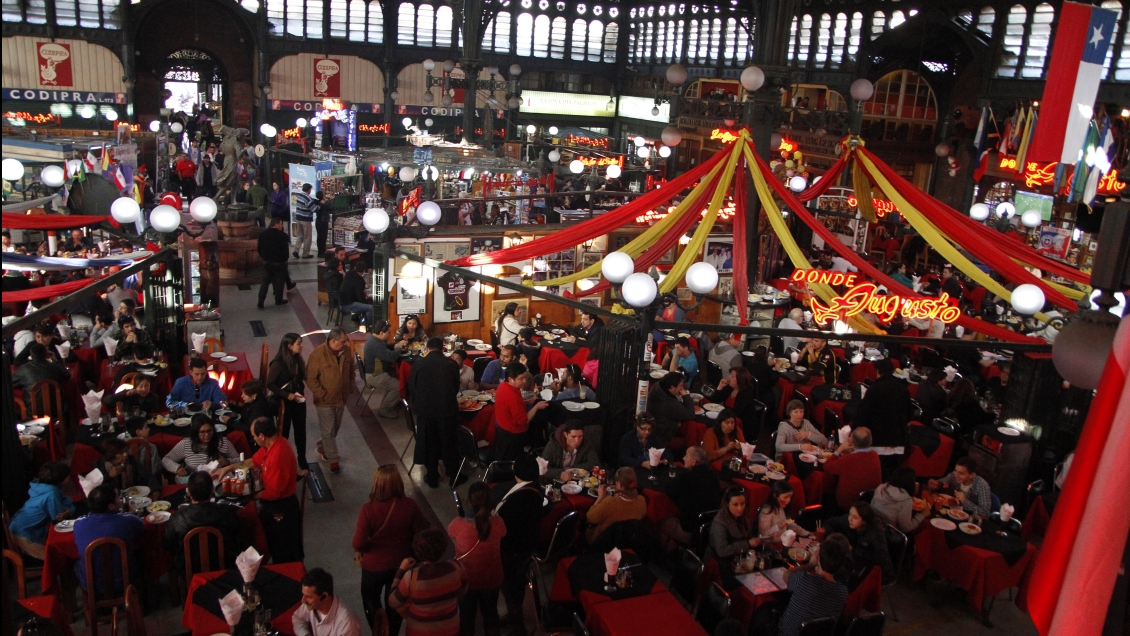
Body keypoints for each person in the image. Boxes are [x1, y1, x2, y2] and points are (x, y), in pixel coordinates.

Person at [353, 466, 428, 635]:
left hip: (373, 566)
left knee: (371, 601)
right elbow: (422, 533)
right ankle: (392, 631)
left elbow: (358, 543)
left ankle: (379, 630)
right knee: (395, 602)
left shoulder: (368, 510)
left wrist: (366, 549)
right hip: (402, 564)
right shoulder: (409, 505)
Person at [218, 417, 303, 562]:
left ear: (262, 436)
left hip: (281, 510)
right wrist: (229, 467)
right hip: (274, 505)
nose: (253, 438)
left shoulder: (278, 455)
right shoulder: (269, 447)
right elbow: (254, 461)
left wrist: (250, 496)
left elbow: (275, 492)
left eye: (254, 436)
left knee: (282, 553)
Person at [493, 454, 545, 633]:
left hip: (512, 549)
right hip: (527, 545)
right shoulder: (536, 490)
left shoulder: (517, 499)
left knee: (510, 587)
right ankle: (514, 615)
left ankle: (518, 626)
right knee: (517, 584)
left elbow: (505, 526)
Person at [447, 481, 507, 636]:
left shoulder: (458, 524)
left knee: (466, 618)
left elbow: (451, 532)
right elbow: (503, 533)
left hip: (467, 580)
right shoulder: (498, 523)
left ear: (469, 501)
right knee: (491, 614)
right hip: (492, 578)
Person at [388, 529, 468, 636]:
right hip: (450, 630)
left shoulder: (412, 577)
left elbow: (393, 602)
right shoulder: (457, 567)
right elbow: (463, 591)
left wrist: (401, 570)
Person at [162, 472, 244, 576]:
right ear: (212, 490)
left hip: (188, 570)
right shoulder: (226, 512)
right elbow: (238, 530)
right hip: (225, 567)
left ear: (188, 491)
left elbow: (167, 544)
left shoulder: (177, 517)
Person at [408, 337, 462, 488]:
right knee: (448, 442)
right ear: (443, 349)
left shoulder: (419, 363)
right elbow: (456, 387)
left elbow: (412, 387)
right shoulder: (451, 364)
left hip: (425, 412)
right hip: (446, 410)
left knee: (429, 442)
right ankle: (453, 475)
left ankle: (432, 475)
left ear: (427, 348)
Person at [775, 533, 851, 636]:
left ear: (818, 558)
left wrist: (810, 564)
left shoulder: (805, 579)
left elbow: (787, 574)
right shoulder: (843, 592)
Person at [73, 484, 143, 591]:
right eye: (117, 498)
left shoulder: (78, 524)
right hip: (123, 579)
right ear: (111, 506)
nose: (119, 500)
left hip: (91, 585)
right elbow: (140, 525)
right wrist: (130, 512)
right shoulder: (127, 521)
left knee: (75, 563)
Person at [305, 327, 355, 474]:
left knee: (334, 429)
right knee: (328, 432)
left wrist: (350, 385)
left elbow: (351, 369)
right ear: (333, 341)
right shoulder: (318, 355)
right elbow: (310, 378)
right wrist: (322, 394)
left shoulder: (345, 351)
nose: (345, 344)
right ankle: (334, 460)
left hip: (341, 399)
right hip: (324, 401)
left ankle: (322, 447)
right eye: (343, 341)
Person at [9, 462, 74, 559]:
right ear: (61, 478)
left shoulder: (41, 486)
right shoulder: (52, 494)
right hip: (25, 535)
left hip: (17, 527)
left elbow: (63, 501)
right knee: (58, 558)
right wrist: (70, 511)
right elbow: (58, 519)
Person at [267, 332, 310, 473]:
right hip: (284, 403)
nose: (301, 346)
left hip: (298, 400)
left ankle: (302, 459)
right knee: (283, 431)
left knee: (300, 431)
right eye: (299, 343)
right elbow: (270, 384)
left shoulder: (297, 359)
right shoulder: (278, 363)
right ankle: (282, 458)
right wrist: (287, 395)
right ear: (289, 346)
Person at [825, 501, 896, 584]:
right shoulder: (848, 520)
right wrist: (833, 537)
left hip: (864, 564)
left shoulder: (876, 533)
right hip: (849, 558)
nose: (850, 519)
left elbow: (881, 556)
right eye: (850, 514)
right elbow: (828, 523)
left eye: (855, 517)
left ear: (864, 521)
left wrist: (853, 549)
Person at [662, 446, 721, 546]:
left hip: (689, 530)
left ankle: (670, 555)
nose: (683, 458)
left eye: (686, 456)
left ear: (693, 462)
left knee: (662, 522)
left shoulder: (687, 477)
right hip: (709, 527)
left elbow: (668, 489)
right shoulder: (715, 476)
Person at [854, 359, 912, 457]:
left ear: (877, 371)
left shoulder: (874, 389)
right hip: (897, 442)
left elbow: (863, 414)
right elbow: (909, 414)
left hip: (877, 442)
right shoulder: (903, 389)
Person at [493, 361, 549, 461]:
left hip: (502, 429)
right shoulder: (512, 396)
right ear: (510, 379)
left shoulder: (503, 385)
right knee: (510, 462)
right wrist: (536, 407)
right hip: (513, 435)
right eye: (521, 379)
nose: (524, 381)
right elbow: (524, 420)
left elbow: (511, 406)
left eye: (525, 377)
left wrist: (527, 402)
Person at [161, 415, 239, 481]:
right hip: (194, 481)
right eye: (202, 432)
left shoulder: (223, 442)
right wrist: (177, 468)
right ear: (196, 432)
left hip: (218, 478)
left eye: (209, 431)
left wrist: (228, 461)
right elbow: (166, 460)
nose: (207, 435)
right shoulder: (186, 444)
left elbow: (240, 460)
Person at [823, 427, 883, 511]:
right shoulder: (874, 455)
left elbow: (827, 467)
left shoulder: (848, 459)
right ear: (870, 442)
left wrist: (839, 449)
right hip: (869, 503)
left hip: (848, 505)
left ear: (853, 441)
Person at [293, 567, 364, 636]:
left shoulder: (347, 622)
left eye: (309, 597)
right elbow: (298, 618)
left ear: (324, 596)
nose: (303, 601)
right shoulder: (311, 605)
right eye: (303, 595)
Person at [585, 467, 647, 542]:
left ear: (620, 484)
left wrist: (600, 497)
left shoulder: (610, 502)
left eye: (616, 482)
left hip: (605, 543)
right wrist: (619, 490)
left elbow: (590, 517)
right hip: (628, 542)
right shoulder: (641, 500)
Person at [706, 486, 762, 561]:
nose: (740, 508)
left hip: (738, 556)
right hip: (718, 561)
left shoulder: (744, 515)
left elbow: (747, 534)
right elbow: (722, 550)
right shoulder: (719, 522)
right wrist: (748, 544)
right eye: (735, 505)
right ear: (727, 504)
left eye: (742, 504)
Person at [13, 343, 71, 411]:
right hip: (57, 411)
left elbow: (11, 383)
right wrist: (56, 361)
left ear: (31, 355)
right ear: (47, 354)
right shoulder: (54, 367)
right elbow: (67, 375)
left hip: (32, 413)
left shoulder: (24, 369)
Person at [712, 366, 764, 441]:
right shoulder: (730, 388)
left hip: (740, 428)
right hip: (727, 421)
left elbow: (736, 413)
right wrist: (720, 387)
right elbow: (715, 401)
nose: (729, 378)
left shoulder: (746, 393)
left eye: (732, 376)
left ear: (740, 379)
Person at [362, 320, 401, 419]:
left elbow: (384, 348)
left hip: (373, 373)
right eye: (388, 332)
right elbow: (390, 357)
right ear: (381, 333)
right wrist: (399, 349)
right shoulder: (376, 344)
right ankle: (384, 409)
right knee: (399, 387)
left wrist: (394, 346)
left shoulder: (373, 339)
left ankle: (387, 405)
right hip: (375, 376)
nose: (389, 334)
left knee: (393, 383)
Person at [646, 372, 696, 446]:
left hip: (656, 424)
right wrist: (686, 396)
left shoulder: (657, 386)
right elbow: (690, 414)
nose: (682, 388)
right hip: (662, 435)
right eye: (680, 386)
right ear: (672, 387)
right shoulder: (669, 403)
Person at [872, 467, 927, 533]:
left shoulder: (881, 487)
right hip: (889, 534)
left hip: (872, 526)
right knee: (925, 524)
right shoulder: (905, 499)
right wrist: (922, 515)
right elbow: (905, 528)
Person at [257, 217, 292, 308]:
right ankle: (278, 299)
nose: (282, 226)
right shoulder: (282, 236)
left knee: (265, 282)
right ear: (276, 224)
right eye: (281, 224)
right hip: (279, 263)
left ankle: (261, 300)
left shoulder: (263, 234)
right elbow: (286, 251)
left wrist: (264, 257)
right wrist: (284, 260)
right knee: (279, 282)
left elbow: (259, 248)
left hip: (267, 263)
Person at [293, 183, 317, 259]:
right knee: (307, 237)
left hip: (298, 218)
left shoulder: (299, 196)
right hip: (305, 220)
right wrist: (320, 205)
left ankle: (296, 251)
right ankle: (305, 254)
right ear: (309, 190)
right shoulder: (308, 198)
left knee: (300, 236)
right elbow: (314, 209)